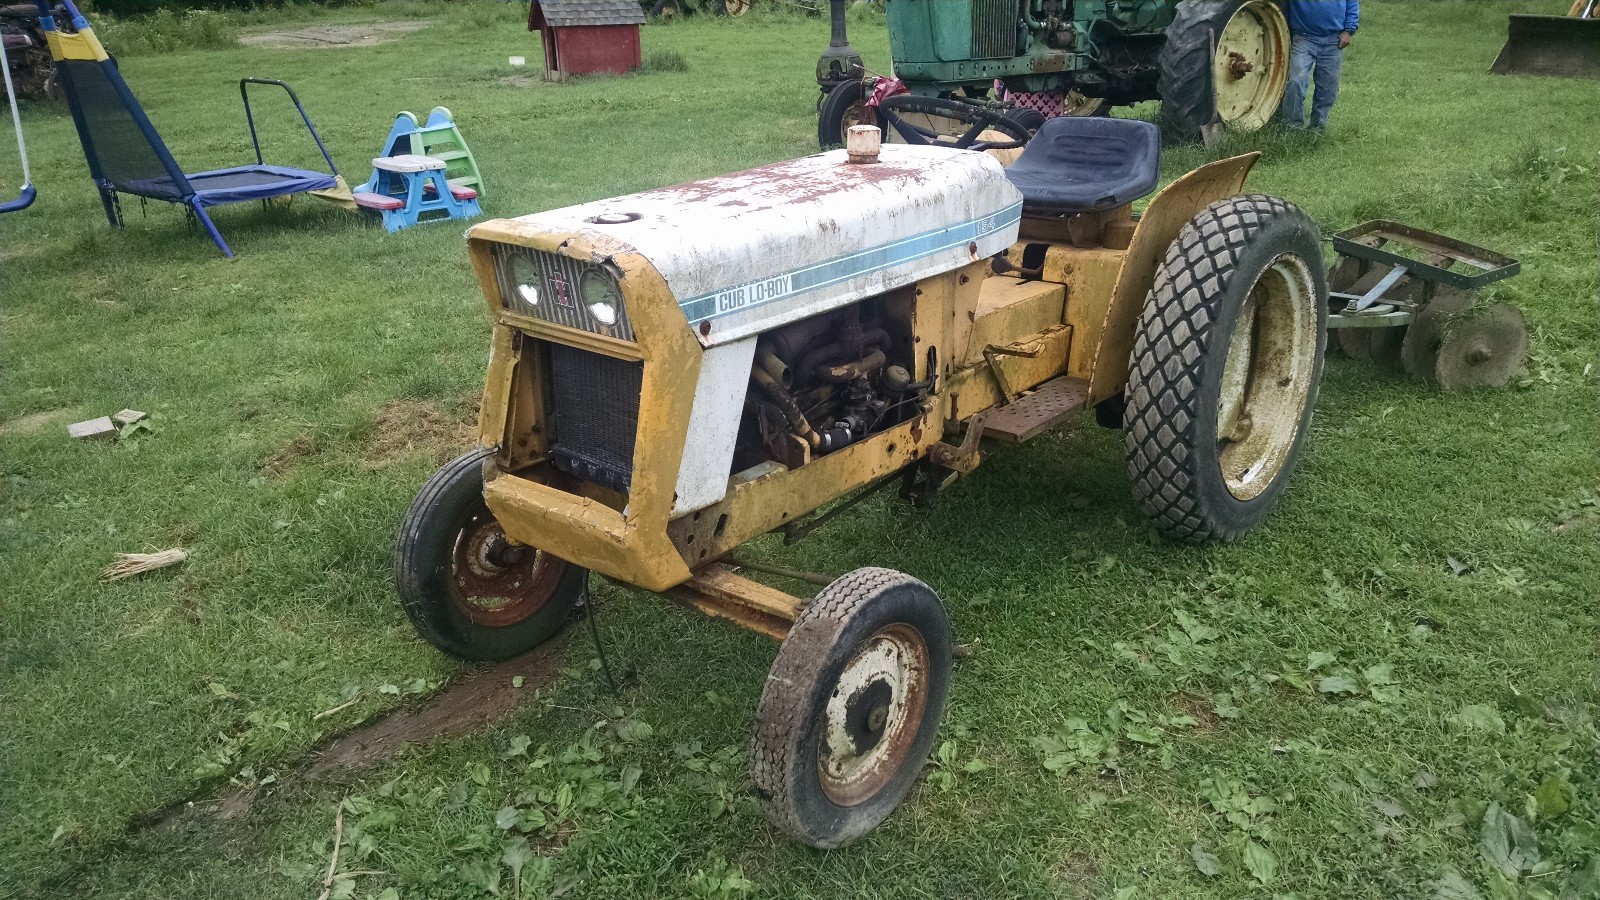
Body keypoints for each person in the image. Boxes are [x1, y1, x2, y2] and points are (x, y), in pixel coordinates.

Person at [1278, 0, 1358, 132]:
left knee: (1328, 89)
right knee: (1295, 81)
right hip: (1304, 37)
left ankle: (1316, 129)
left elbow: (1352, 2)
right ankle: (1292, 127)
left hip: (1334, 39)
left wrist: (1349, 30)